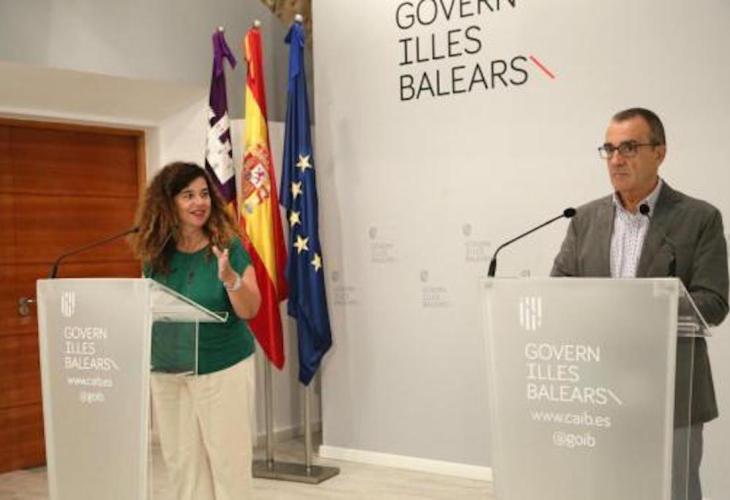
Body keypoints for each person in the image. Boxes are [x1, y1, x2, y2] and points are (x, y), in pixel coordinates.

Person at [551, 108, 728, 500]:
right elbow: (559, 289)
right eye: (609, 149)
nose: (616, 159)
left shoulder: (699, 218)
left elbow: (714, 301)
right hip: (599, 390)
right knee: (607, 488)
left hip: (672, 390)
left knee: (675, 490)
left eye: (629, 147)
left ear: (659, 153)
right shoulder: (583, 219)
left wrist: (639, 310)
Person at [128, 161, 261, 500]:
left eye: (204, 194)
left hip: (221, 367)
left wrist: (230, 279)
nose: (199, 202)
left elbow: (251, 309)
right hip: (168, 368)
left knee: (229, 465)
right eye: (188, 195)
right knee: (182, 464)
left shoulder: (227, 247)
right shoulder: (155, 253)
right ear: (167, 203)